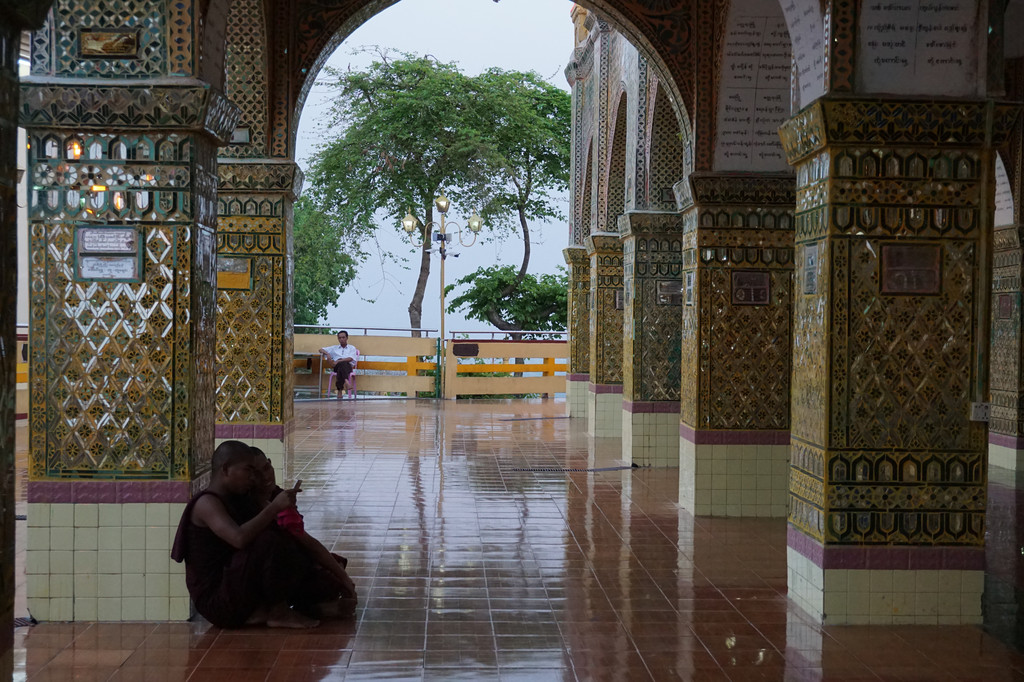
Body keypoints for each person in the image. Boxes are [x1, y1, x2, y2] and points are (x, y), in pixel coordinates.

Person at [170, 441, 339, 629]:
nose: (252, 478)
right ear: (226, 469)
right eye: (248, 471)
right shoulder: (207, 503)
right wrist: (274, 508)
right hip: (217, 601)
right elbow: (239, 538)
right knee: (269, 540)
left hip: (238, 586)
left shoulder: (240, 498)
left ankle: (274, 609)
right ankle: (278, 611)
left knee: (323, 577)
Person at [250, 448, 357, 615]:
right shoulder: (247, 504)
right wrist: (343, 577)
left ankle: (308, 606)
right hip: (264, 575)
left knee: (332, 572)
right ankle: (282, 610)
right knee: (324, 573)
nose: (265, 477)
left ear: (271, 464)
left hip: (288, 566)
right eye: (255, 474)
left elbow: (303, 538)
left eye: (266, 469)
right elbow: (304, 542)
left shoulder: (277, 496)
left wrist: (342, 576)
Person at [319, 330, 358, 396]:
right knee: (340, 366)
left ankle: (340, 390)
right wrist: (327, 354)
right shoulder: (334, 348)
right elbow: (320, 350)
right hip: (336, 366)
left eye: (343, 337)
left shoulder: (352, 348)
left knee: (343, 365)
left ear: (347, 338)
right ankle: (346, 382)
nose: (341, 339)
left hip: (348, 366)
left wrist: (339, 360)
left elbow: (350, 358)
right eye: (339, 338)